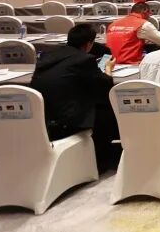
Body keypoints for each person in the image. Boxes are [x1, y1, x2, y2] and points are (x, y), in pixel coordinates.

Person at [30, 24, 117, 171]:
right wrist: (108, 68)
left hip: (43, 115)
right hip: (67, 119)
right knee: (109, 112)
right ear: (88, 44)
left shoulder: (47, 56)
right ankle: (100, 160)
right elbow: (105, 86)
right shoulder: (84, 60)